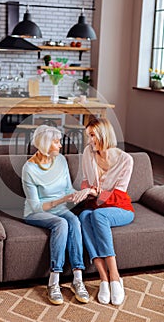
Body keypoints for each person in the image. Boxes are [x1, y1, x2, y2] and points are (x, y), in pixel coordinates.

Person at [22, 125, 89, 305]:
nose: (60, 145)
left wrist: (80, 194)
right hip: (36, 212)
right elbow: (36, 206)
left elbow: (68, 189)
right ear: (45, 144)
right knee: (61, 224)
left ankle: (77, 279)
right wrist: (62, 200)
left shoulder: (60, 160)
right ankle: (54, 281)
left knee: (74, 221)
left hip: (59, 208)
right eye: (57, 142)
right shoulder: (29, 169)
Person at [72, 118, 134, 306]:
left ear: (103, 135)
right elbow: (85, 181)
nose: (89, 141)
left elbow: (118, 195)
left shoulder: (125, 160)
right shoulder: (87, 153)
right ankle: (103, 278)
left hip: (120, 208)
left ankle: (114, 275)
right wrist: (86, 190)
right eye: (88, 136)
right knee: (83, 216)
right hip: (95, 207)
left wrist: (93, 191)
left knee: (98, 215)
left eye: (92, 136)